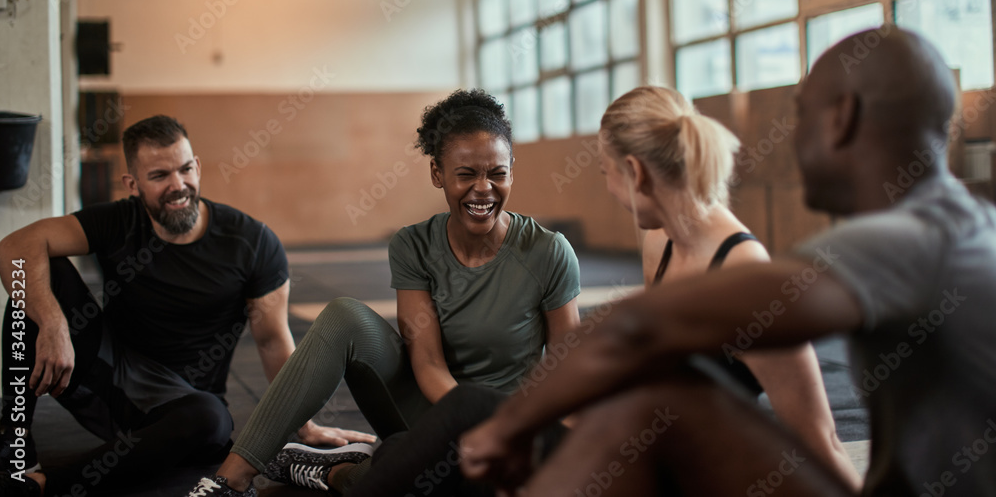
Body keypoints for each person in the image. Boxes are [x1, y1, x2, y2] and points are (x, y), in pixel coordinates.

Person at [460, 26, 996, 496]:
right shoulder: (960, 223)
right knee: (660, 400)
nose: (795, 137)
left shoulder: (914, 239)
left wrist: (509, 427)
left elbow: (636, 329)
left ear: (842, 118)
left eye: (801, 113)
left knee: (656, 403)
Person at [337, 85, 860, 497]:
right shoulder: (661, 239)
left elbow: (822, 440)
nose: (609, 188)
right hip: (623, 449)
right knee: (424, 449)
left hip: (667, 474)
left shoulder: (745, 273)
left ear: (634, 173)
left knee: (455, 424)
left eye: (608, 173)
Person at [184, 88, 581, 497]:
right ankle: (227, 480)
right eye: (466, 174)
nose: (483, 188)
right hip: (427, 412)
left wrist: (550, 447)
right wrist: (467, 422)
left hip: (511, 426)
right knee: (344, 315)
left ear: (512, 171)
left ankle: (340, 471)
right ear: (437, 173)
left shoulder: (548, 251)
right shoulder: (413, 245)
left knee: (423, 481)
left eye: (497, 173)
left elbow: (570, 371)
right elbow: (426, 361)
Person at [0, 115, 372, 497]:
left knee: (211, 419)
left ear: (198, 167)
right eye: (159, 176)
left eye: (186, 169)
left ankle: (43, 487)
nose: (178, 186)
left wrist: (305, 425)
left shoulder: (251, 242)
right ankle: (15, 443)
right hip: (111, 383)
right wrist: (53, 323)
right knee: (42, 275)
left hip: (183, 411)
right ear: (133, 184)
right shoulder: (118, 220)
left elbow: (273, 340)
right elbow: (14, 248)